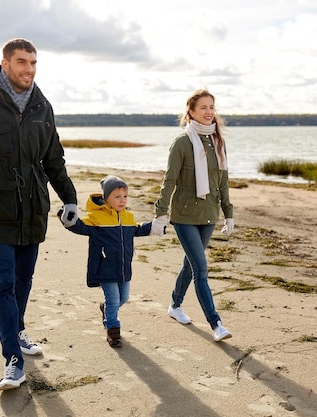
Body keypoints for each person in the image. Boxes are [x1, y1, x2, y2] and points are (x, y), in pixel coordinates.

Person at [0, 38, 79, 391]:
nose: (29, 69)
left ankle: (17, 329)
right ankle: (13, 360)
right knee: (3, 284)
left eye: (34, 63)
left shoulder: (42, 105)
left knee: (24, 279)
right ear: (5, 64)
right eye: (22, 62)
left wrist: (69, 198)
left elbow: (54, 159)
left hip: (34, 208)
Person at [153, 88, 234, 342]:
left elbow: (223, 181)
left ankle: (175, 305)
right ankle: (216, 323)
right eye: (203, 108)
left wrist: (228, 213)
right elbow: (170, 180)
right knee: (201, 268)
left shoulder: (218, 142)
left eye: (212, 107)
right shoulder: (182, 143)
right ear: (191, 112)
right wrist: (160, 214)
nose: (209, 112)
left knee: (190, 264)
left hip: (209, 215)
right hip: (185, 216)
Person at [59, 175, 161, 347]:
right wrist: (67, 219)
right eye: (117, 196)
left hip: (123, 267)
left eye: (125, 196)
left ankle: (105, 308)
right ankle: (113, 331)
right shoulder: (96, 217)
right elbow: (81, 228)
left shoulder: (128, 217)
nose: (122, 200)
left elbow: (138, 230)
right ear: (106, 198)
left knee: (123, 298)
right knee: (114, 301)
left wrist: (156, 226)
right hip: (105, 267)